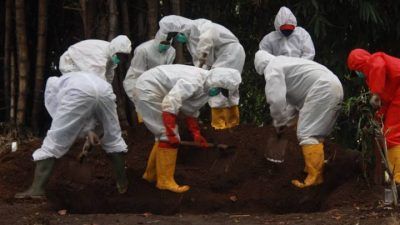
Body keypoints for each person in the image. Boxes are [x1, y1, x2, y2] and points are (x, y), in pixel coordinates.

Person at [15, 71, 129, 199]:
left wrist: (72, 133)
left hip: (80, 92)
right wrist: (89, 133)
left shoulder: (54, 85)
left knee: (53, 142)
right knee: (113, 139)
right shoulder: (90, 77)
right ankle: (123, 186)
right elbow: (91, 106)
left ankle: (36, 190)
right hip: (106, 92)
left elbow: (61, 112)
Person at [133, 64, 241, 193]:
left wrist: (195, 133)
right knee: (167, 136)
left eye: (222, 92)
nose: (218, 93)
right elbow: (171, 102)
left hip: (154, 90)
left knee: (163, 137)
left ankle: (150, 175)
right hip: (148, 89)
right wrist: (170, 131)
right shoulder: (194, 81)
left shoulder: (206, 86)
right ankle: (165, 182)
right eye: (220, 89)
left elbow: (190, 109)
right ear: (217, 82)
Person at [254, 50, 343, 188]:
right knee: (314, 133)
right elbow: (293, 103)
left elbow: (276, 100)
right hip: (332, 86)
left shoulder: (272, 68)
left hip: (322, 88)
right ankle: (311, 169)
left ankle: (314, 179)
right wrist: (286, 124)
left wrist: (278, 121)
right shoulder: (286, 63)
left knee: (308, 134)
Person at [158, 15, 246, 130]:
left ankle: (221, 126)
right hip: (226, 55)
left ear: (179, 29)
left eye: (175, 34)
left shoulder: (200, 25)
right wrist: (201, 77)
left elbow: (207, 39)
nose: (177, 38)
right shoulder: (190, 40)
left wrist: (203, 54)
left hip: (229, 53)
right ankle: (231, 122)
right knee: (227, 87)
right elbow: (200, 63)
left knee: (220, 86)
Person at [347, 48, 400, 183]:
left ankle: (398, 177)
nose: (358, 75)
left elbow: (379, 66)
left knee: (392, 135)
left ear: (357, 64)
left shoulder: (374, 60)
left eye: (355, 71)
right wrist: (378, 118)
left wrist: (375, 93)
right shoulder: (376, 76)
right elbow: (387, 102)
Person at [123, 33, 176, 123]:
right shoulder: (143, 50)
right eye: (163, 43)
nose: (165, 46)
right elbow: (138, 72)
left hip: (158, 81)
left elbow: (167, 70)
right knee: (143, 105)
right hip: (137, 80)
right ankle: (143, 127)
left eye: (167, 43)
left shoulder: (171, 51)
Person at [59, 35, 132, 83]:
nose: (122, 58)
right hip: (70, 62)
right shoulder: (100, 55)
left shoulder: (112, 55)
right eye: (120, 54)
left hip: (81, 63)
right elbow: (97, 78)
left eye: (124, 56)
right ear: (115, 50)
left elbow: (109, 74)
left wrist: (109, 90)